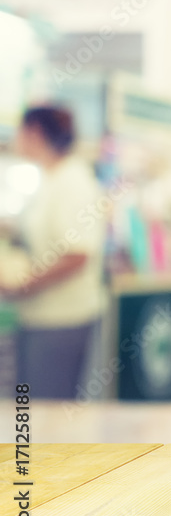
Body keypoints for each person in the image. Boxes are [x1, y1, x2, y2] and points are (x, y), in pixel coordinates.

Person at [0, 106, 105, 398]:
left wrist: (25, 283)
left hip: (61, 321)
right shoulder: (50, 178)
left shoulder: (74, 182)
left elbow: (78, 254)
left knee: (46, 409)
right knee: (28, 407)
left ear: (35, 133)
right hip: (37, 317)